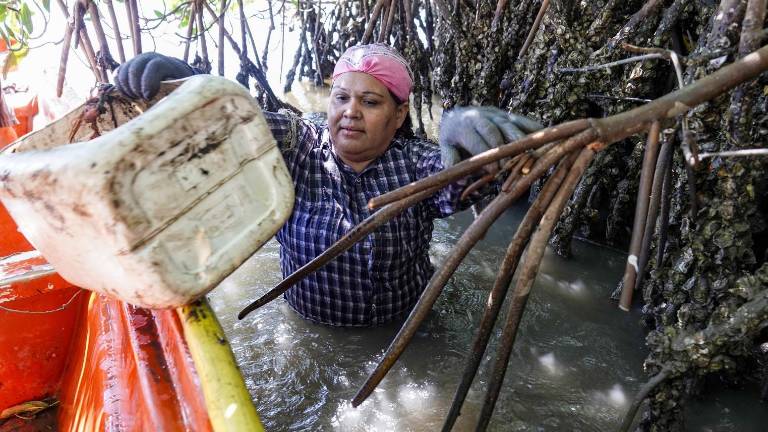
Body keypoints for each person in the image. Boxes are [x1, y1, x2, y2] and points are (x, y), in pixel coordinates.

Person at [115, 44, 542, 326]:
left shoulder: (415, 164)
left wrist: (460, 134)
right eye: (342, 98)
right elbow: (239, 124)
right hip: (306, 324)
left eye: (371, 102)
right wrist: (192, 86)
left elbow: (464, 182)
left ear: (398, 115)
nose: (351, 112)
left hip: (401, 326)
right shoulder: (298, 144)